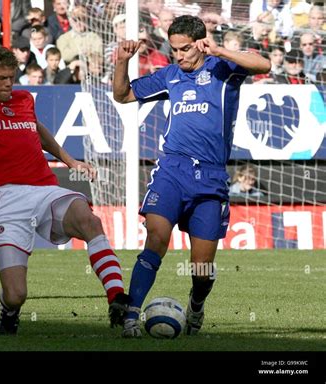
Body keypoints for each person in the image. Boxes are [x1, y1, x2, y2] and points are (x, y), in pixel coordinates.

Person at [0, 26, 131, 334]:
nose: (9, 84)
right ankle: (8, 311)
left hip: (45, 189)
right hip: (6, 200)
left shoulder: (22, 99)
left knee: (90, 221)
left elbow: (36, 129)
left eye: (11, 77)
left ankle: (117, 298)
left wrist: (69, 160)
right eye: (1, 79)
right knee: (16, 294)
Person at [113, 15, 271, 338]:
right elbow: (123, 95)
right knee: (156, 236)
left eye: (185, 49)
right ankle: (131, 315)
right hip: (173, 169)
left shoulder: (223, 70)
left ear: (201, 44)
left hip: (211, 177)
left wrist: (222, 52)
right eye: (174, 50)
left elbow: (263, 64)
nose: (179, 56)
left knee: (201, 268)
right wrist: (121, 62)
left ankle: (196, 305)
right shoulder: (171, 75)